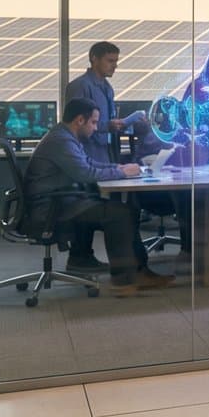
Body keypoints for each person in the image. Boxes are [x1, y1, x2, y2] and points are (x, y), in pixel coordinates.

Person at [24, 99, 174, 297]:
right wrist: (122, 173)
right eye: (93, 122)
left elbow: (88, 163)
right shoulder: (61, 141)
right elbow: (86, 174)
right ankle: (123, 281)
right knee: (120, 214)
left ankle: (138, 272)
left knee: (125, 209)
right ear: (80, 120)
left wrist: (118, 168)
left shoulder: (65, 136)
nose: (96, 128)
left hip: (59, 201)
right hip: (52, 207)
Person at [64, 41, 148, 271]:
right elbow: (77, 122)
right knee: (89, 201)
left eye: (116, 61)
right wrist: (106, 126)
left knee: (102, 200)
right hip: (88, 153)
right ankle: (80, 256)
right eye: (110, 61)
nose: (115, 66)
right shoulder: (80, 86)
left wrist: (124, 125)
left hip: (107, 152)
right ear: (94, 58)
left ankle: (84, 256)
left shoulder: (107, 88)